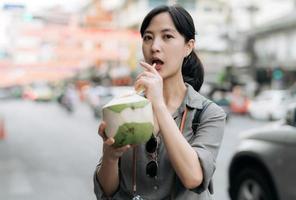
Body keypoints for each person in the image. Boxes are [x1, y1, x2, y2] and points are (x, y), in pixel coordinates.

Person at [94, 5, 226, 200]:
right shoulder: (126, 108)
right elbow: (108, 189)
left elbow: (193, 178)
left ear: (188, 47)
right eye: (148, 38)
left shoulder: (208, 113)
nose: (154, 46)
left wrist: (158, 104)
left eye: (167, 37)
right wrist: (110, 156)